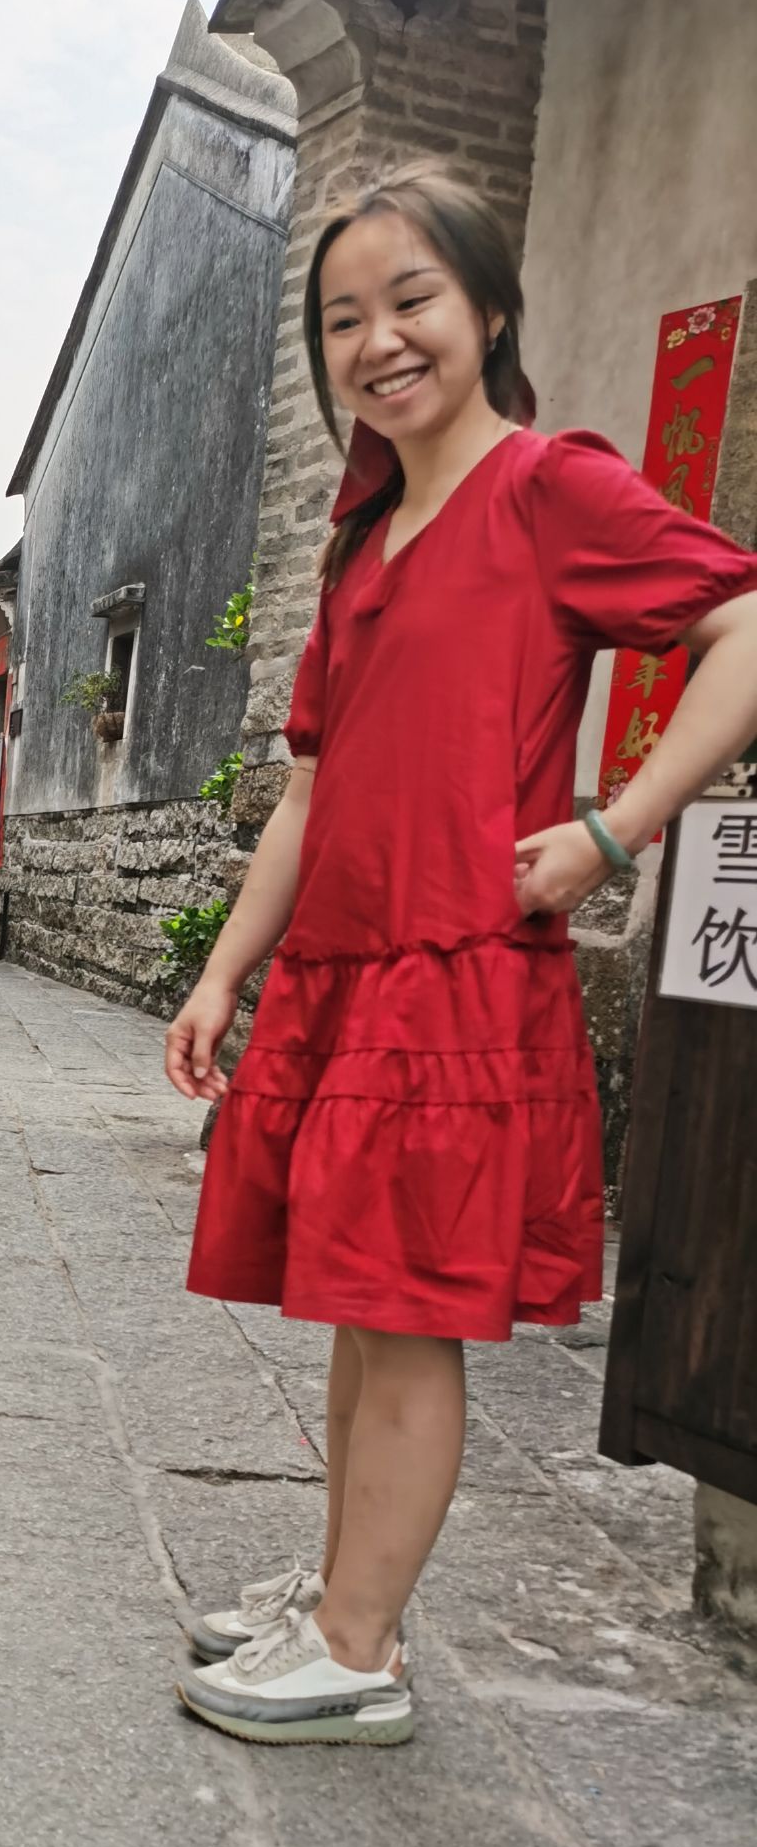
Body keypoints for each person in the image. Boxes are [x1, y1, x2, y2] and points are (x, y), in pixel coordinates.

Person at [165, 165, 757, 1749]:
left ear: (490, 310)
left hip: (459, 972)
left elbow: (744, 629)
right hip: (351, 971)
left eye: (411, 299)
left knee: (409, 1310)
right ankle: (348, 1589)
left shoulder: (548, 486)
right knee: (364, 1308)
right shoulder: (367, 533)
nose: (379, 340)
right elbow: (313, 781)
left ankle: (357, 1644)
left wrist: (612, 830)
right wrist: (229, 970)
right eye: (344, 317)